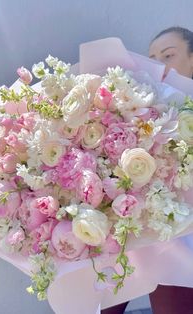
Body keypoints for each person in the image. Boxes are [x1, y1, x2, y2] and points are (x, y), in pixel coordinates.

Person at [101, 26, 193, 314]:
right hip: (134, 232)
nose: (158, 65)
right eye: (152, 58)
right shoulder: (139, 110)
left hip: (180, 234)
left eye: (168, 56)